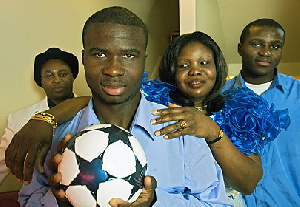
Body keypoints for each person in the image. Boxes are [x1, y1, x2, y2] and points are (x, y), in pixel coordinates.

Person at [7, 7, 231, 206]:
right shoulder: (55, 135)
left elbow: (217, 204)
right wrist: (59, 200)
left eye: (128, 55)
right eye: (100, 54)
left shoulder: (181, 132)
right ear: (84, 58)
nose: (113, 69)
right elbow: (27, 201)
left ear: (143, 59)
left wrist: (155, 201)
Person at [222, 18, 300, 206]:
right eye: (256, 44)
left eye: (275, 46)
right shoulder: (219, 96)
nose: (265, 52)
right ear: (240, 48)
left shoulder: (298, 94)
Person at [0, 47, 78, 184]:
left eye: (63, 74)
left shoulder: (93, 110)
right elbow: (2, 162)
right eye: (49, 75)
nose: (57, 80)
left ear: (73, 77)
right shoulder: (19, 119)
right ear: (40, 81)